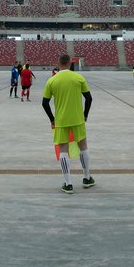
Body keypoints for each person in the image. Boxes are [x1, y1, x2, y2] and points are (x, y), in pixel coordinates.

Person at [42, 54, 94, 194]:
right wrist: (85, 115)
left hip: (61, 120)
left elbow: (44, 103)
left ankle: (68, 183)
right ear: (70, 63)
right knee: (83, 147)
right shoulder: (78, 78)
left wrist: (52, 119)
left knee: (63, 149)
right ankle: (87, 177)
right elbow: (89, 98)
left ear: (58, 63)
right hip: (78, 119)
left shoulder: (52, 80)